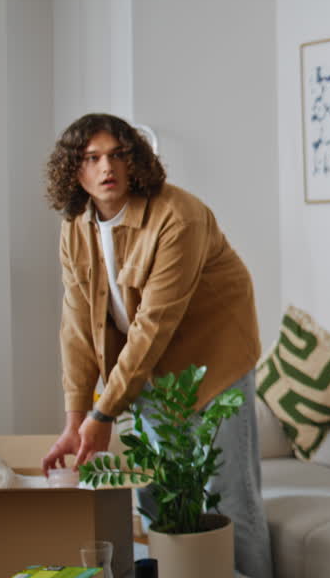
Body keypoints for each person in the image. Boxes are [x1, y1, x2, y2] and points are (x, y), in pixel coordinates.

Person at [40, 113, 273, 578]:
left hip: (215, 362)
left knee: (229, 497)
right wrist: (75, 419)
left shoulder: (178, 216)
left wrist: (103, 414)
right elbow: (76, 326)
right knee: (156, 494)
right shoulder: (75, 228)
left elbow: (153, 325)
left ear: (135, 161)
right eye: (92, 158)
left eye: (118, 155)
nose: (107, 167)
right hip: (147, 369)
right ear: (75, 171)